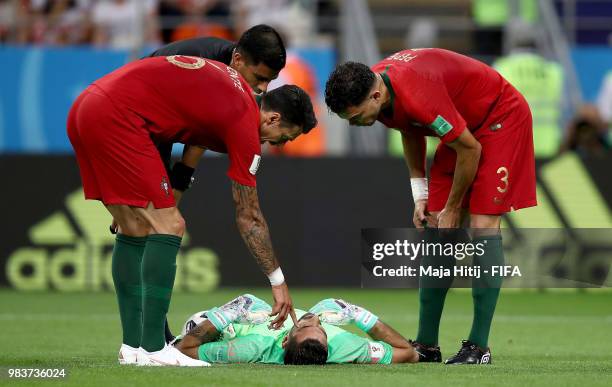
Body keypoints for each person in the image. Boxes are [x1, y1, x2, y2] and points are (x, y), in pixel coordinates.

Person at [67, 54, 316, 366]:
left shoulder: (232, 92)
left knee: (133, 227)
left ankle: (133, 348)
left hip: (86, 107)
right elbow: (248, 215)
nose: (277, 145)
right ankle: (155, 349)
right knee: (170, 225)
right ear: (273, 119)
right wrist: (278, 282)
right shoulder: (244, 120)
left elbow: (178, 120)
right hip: (119, 118)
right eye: (284, 139)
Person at [324, 48, 536, 365]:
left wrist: (453, 208)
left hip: (499, 119)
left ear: (375, 96)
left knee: (481, 226)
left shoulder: (416, 93)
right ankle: (427, 345)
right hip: (461, 127)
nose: (355, 124)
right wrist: (419, 193)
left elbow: (470, 150)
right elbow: (409, 127)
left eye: (355, 117)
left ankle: (479, 347)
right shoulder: (379, 88)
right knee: (437, 231)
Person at [174, 294, 419, 365]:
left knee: (198, 322)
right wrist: (358, 316)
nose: (312, 321)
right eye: (321, 329)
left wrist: (227, 314)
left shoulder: (250, 348)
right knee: (329, 306)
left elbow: (186, 349)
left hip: (254, 322)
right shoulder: (343, 347)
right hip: (329, 309)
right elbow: (408, 352)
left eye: (301, 325)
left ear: (284, 341)